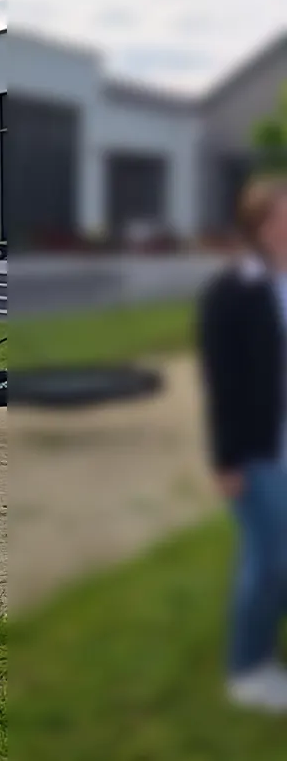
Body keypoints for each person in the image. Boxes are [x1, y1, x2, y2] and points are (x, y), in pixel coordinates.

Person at [196, 172, 287, 714]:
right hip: (258, 451)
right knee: (268, 559)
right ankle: (249, 671)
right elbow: (223, 383)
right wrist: (226, 459)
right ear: (259, 226)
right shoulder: (232, 292)